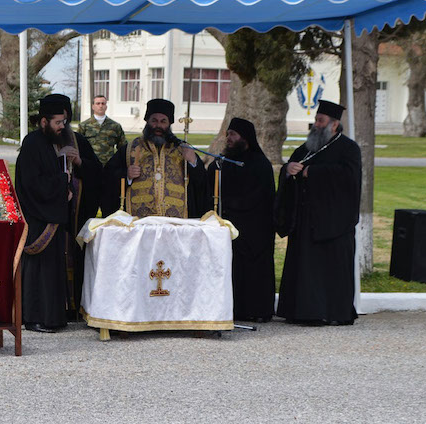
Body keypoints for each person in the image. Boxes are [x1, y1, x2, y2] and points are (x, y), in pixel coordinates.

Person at [15, 95, 102, 333]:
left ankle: (53, 317)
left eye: (64, 121)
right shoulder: (33, 143)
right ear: (44, 122)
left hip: (55, 215)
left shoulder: (66, 140)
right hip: (39, 216)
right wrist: (62, 184)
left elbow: (95, 174)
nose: (62, 126)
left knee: (53, 268)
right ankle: (33, 317)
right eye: (58, 122)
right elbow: (31, 183)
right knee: (38, 270)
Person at [275, 100, 362, 326]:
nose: (316, 125)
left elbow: (348, 178)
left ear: (334, 125)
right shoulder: (307, 148)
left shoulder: (349, 149)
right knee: (304, 270)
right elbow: (292, 167)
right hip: (306, 222)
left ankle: (333, 313)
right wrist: (288, 170)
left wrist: (312, 172)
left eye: (320, 121)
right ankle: (301, 312)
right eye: (316, 120)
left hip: (335, 222)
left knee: (331, 271)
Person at [207, 118, 275, 322]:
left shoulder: (260, 164)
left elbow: (259, 196)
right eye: (227, 134)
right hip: (229, 225)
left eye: (233, 135)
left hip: (255, 228)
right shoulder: (224, 161)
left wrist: (231, 205)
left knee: (254, 271)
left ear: (245, 138)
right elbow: (211, 182)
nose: (228, 138)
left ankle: (257, 311)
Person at [102, 98, 206, 218]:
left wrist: (193, 162)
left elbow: (201, 184)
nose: (158, 126)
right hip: (138, 221)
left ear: (169, 123)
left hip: (176, 222)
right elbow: (107, 177)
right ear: (147, 121)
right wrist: (126, 175)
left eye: (163, 121)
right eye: (154, 121)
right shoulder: (130, 149)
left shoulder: (182, 149)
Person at [78, 95, 126, 165]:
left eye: (103, 103)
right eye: (98, 103)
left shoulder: (115, 126)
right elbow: (78, 146)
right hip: (90, 165)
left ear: (106, 106)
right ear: (93, 106)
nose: (100, 106)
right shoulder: (84, 126)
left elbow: (123, 147)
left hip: (109, 166)